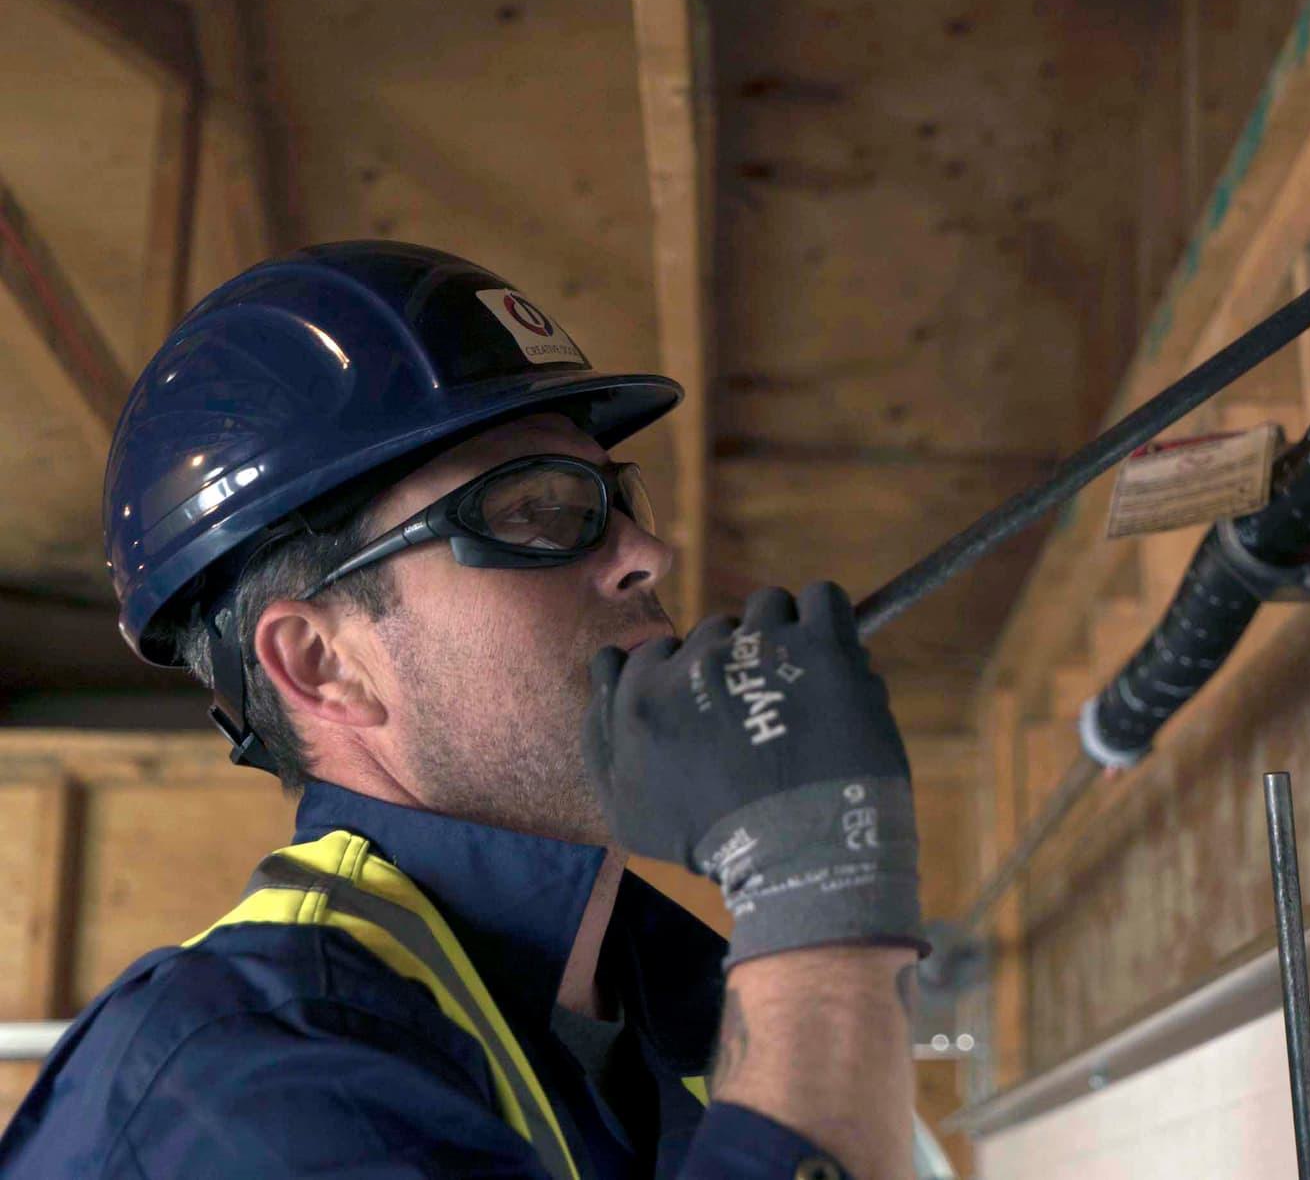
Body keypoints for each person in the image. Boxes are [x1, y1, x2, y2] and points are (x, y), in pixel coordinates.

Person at [0, 242, 926, 1179]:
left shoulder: (693, 1030)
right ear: (324, 665)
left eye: (616, 498)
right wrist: (816, 880)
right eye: (534, 510)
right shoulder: (245, 1080)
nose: (649, 550)